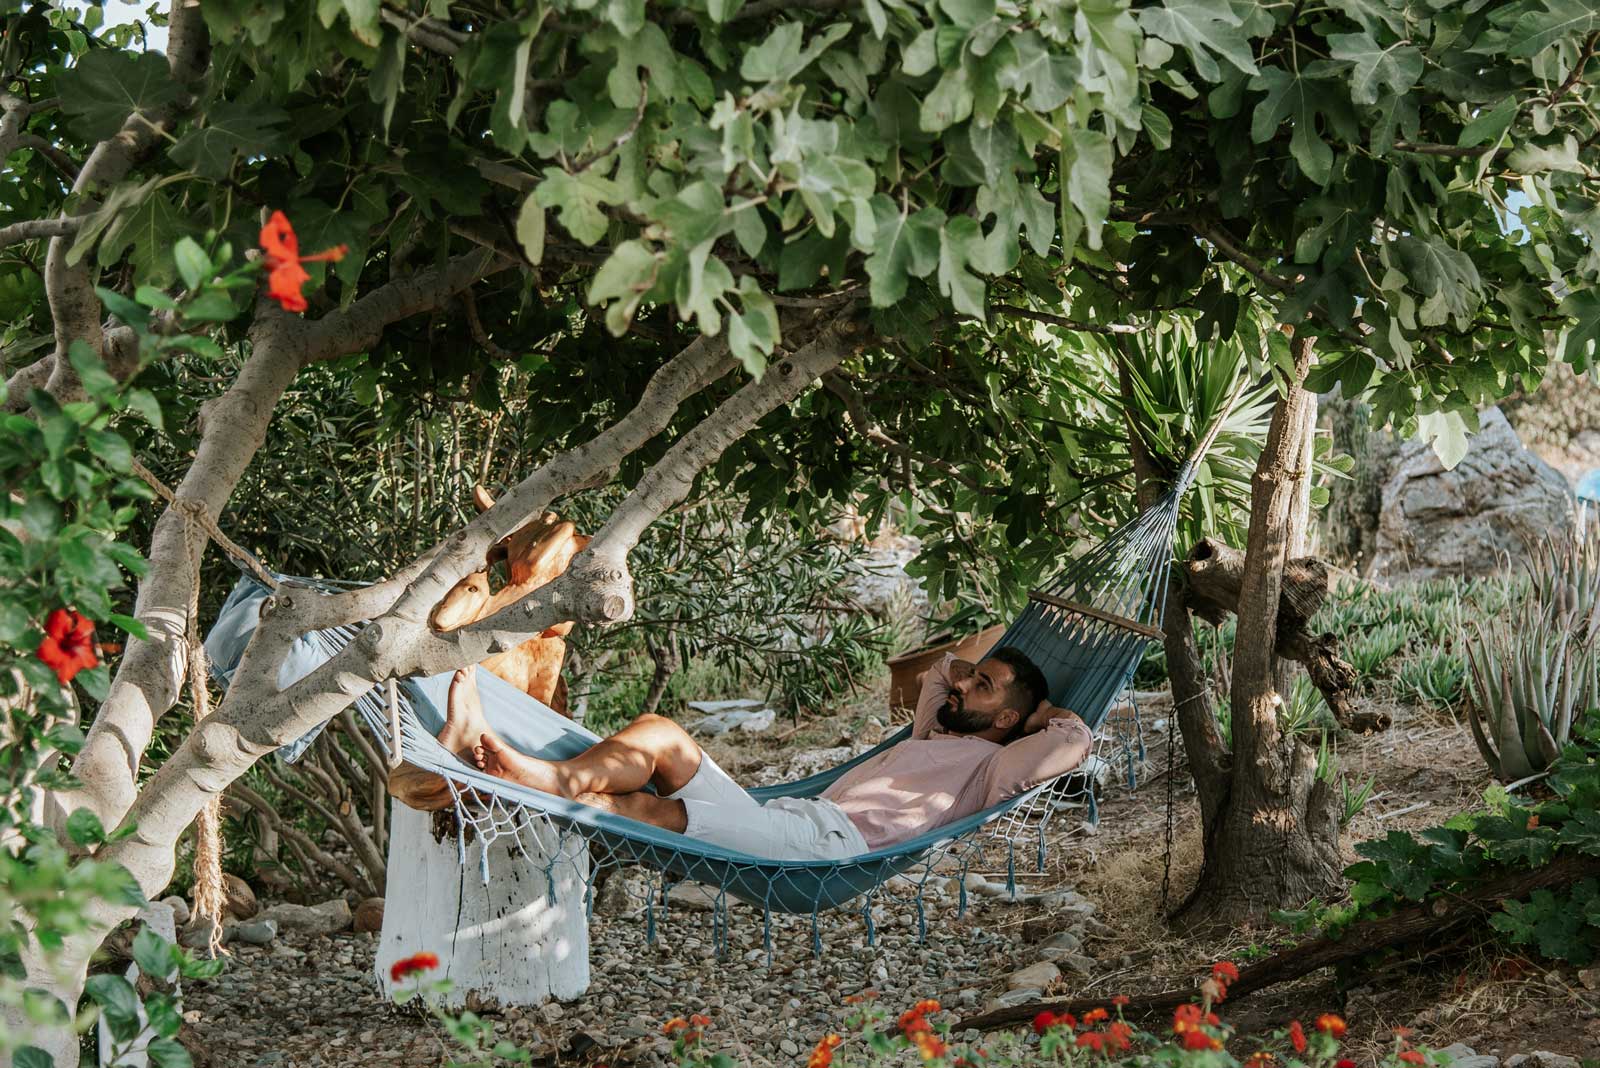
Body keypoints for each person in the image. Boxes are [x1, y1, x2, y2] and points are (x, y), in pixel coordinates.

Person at [435, 646, 1093, 861]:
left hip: (827, 847)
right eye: (975, 675)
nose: (967, 682)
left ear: (1008, 718)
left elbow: (1074, 741)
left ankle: (517, 774)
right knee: (660, 731)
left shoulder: (989, 769)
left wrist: (1039, 716)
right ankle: (534, 774)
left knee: (653, 811)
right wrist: (980, 682)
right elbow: (936, 673)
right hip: (786, 819)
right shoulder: (936, 737)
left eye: (986, 686)